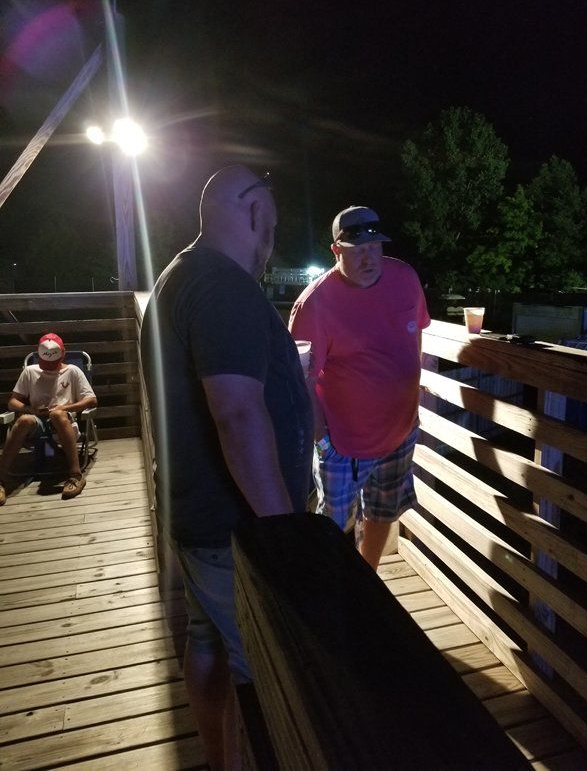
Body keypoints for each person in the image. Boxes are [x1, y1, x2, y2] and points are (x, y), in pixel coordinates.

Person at [140, 165, 313, 770]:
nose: (273, 235)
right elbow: (238, 415)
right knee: (264, 670)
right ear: (254, 211)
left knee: (208, 642)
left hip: (198, 517)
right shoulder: (223, 287)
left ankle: (222, 762)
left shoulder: (179, 275)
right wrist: (285, 535)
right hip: (236, 533)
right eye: (273, 218)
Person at [289, 205, 430, 570]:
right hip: (344, 445)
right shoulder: (315, 304)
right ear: (336, 251)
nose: (370, 257)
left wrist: (413, 403)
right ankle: (333, 597)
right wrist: (323, 440)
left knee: (384, 511)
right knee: (333, 528)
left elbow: (415, 338)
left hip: (400, 433)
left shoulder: (405, 278)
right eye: (357, 250)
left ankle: (366, 580)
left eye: (375, 247)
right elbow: (300, 380)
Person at [0, 333, 97, 504]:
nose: (49, 367)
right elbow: (12, 402)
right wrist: (29, 408)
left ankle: (75, 475)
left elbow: (91, 399)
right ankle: (1, 479)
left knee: (57, 414)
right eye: (46, 364)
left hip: (64, 422)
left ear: (62, 354)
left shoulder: (72, 371)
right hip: (37, 420)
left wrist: (64, 407)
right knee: (23, 420)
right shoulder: (30, 371)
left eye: (52, 363)